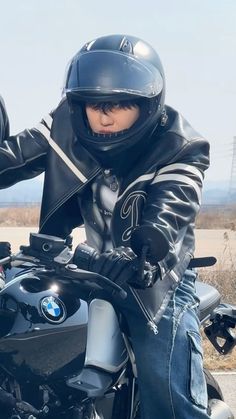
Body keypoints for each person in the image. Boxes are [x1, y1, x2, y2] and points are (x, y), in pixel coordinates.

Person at [0, 34, 210, 418]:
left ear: (147, 106)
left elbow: (171, 207)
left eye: (120, 104)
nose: (105, 116)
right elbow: (10, 159)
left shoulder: (179, 144)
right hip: (87, 265)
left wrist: (144, 250)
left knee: (165, 390)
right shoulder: (66, 124)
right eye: (94, 105)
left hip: (153, 279)